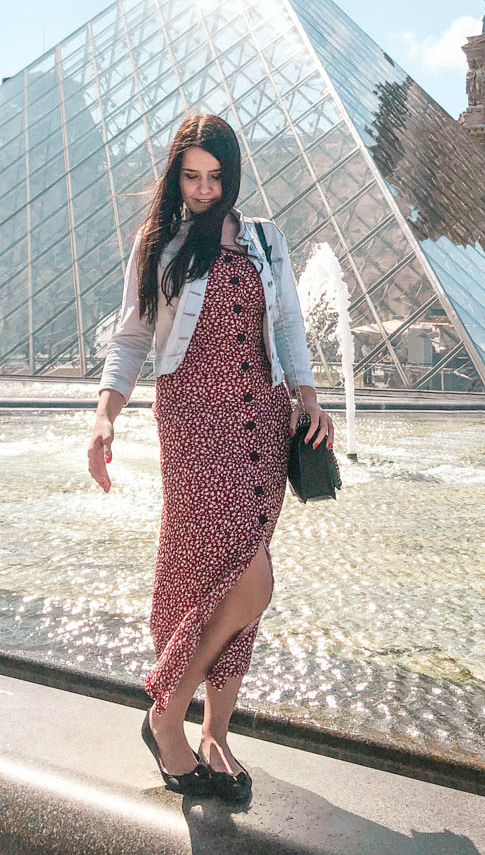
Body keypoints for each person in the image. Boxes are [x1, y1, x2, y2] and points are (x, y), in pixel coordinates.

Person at [88, 113, 332, 802]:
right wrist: (105, 418)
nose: (203, 189)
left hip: (263, 419)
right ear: (177, 175)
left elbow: (287, 323)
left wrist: (308, 399)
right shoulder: (159, 245)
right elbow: (131, 339)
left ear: (233, 174)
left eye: (215, 176)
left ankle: (216, 733)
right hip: (195, 422)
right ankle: (167, 715)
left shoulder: (264, 240)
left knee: (235, 586)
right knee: (241, 579)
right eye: (191, 176)